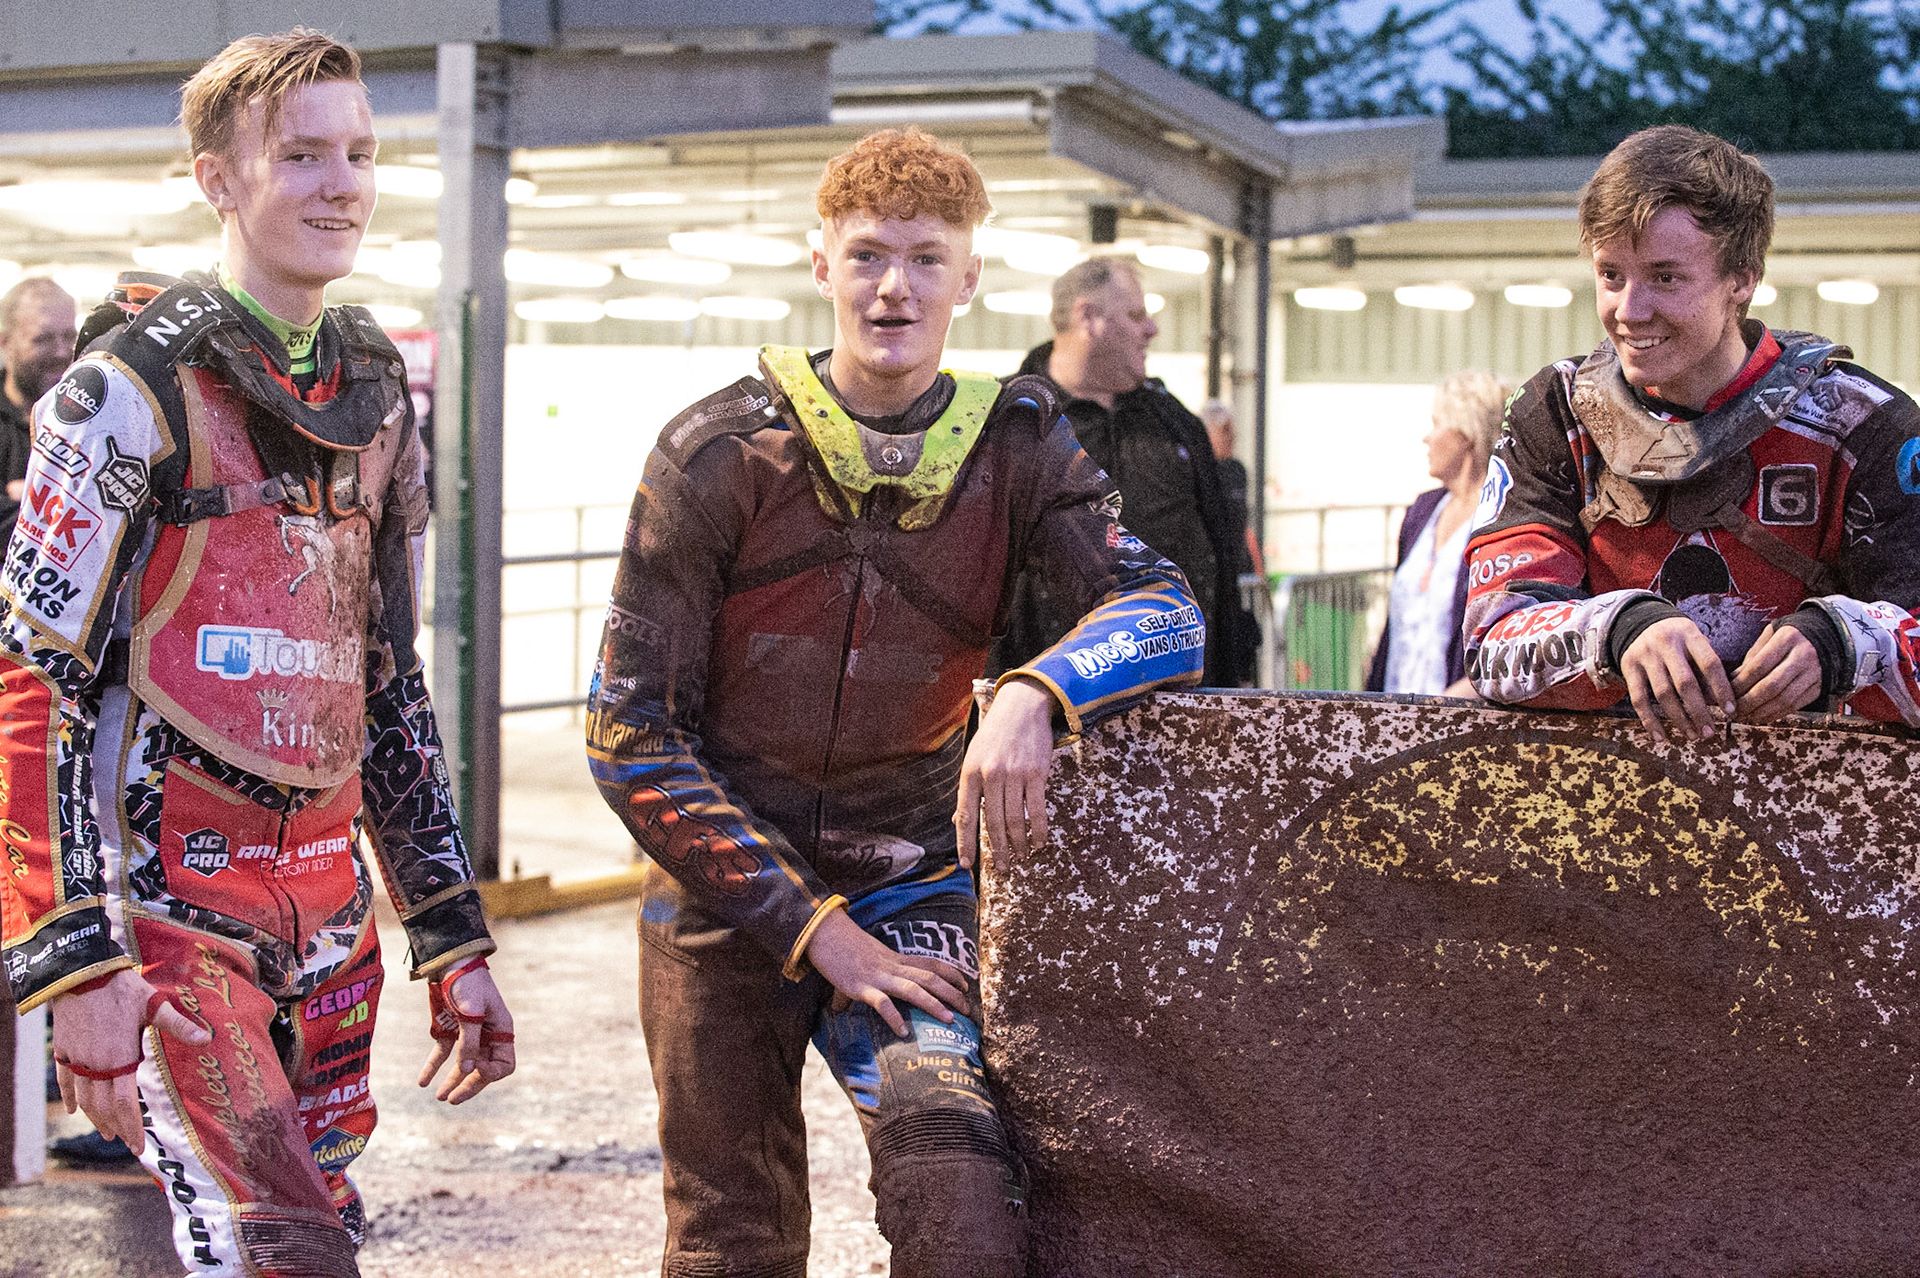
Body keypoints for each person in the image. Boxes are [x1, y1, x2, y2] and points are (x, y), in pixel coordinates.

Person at [588, 127, 1205, 1278]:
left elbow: (1166, 610)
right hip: (722, 893)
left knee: (963, 1206)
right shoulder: (719, 450)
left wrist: (1034, 691)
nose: (893, 286)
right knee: (732, 1237)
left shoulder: (1018, 442)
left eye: (927, 257)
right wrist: (818, 933)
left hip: (909, 874)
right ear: (818, 262)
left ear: (971, 277)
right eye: (867, 253)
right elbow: (628, 735)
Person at [0, 29, 514, 1276]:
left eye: (359, 153)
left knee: (316, 1230)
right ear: (216, 180)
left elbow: (386, 679)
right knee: (278, 1251)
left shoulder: (374, 383)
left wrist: (447, 931)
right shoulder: (122, 389)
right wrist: (75, 960)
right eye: (299, 156)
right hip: (171, 919)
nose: (341, 184)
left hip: (328, 923)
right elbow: (28, 682)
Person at [1465, 124, 1920, 737]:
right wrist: (1618, 630)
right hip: (1601, 800)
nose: (1629, 311)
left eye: (1665, 277)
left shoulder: (1864, 425)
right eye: (1610, 275)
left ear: (1743, 279)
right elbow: (1490, 641)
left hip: (1813, 810)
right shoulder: (1557, 411)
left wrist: (1846, 645)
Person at [990, 256, 1245, 685]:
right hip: (1049, 700)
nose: (1152, 330)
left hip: (1178, 697)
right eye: (1136, 315)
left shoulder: (1174, 423)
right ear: (1087, 316)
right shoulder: (1010, 420)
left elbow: (1221, 549)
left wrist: (1234, 665)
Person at [1366, 369, 1510, 697]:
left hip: (1456, 722)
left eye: (1436, 424)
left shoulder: (1502, 516)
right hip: (1395, 713)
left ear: (1467, 433)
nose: (1426, 439)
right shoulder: (1422, 511)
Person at [0, 278, 78, 550]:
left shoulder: (90, 422)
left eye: (69, 337)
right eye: (43, 339)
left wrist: (27, 498)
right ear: (4, 342)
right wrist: (63, 504)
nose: (61, 352)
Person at [1201, 397, 1263, 685]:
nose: (1231, 437)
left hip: (1235, 579)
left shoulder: (1234, 471)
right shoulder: (1199, 472)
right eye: (1224, 430)